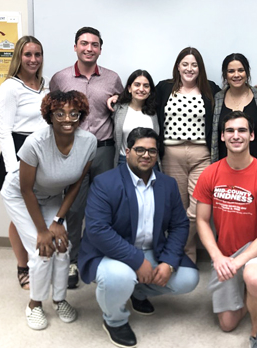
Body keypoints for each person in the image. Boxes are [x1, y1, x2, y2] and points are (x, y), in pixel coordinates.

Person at [79, 127, 199, 348]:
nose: (146, 155)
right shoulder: (105, 182)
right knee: (120, 277)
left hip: (153, 250)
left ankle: (137, 292)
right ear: (127, 151)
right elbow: (97, 230)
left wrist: (169, 263)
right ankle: (114, 321)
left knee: (189, 279)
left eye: (152, 151)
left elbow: (180, 224)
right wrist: (137, 261)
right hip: (110, 253)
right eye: (140, 149)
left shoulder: (167, 184)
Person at [1, 90, 97, 330]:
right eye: (60, 113)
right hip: (20, 196)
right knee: (42, 248)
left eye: (73, 113)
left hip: (53, 196)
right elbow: (26, 190)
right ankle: (35, 304)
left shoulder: (89, 142)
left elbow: (76, 185)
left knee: (63, 245)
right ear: (49, 115)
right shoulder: (35, 143)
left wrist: (58, 221)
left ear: (81, 115)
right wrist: (43, 230)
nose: (67, 118)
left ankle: (60, 299)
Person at [195, 111, 257, 348]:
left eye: (242, 130)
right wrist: (217, 257)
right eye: (230, 131)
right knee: (227, 324)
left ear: (252, 135)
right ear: (223, 137)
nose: (236, 135)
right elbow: (202, 221)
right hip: (225, 252)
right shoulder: (210, 174)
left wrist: (240, 263)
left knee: (253, 277)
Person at [49, 26, 124, 289]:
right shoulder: (60, 78)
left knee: (104, 207)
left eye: (94, 44)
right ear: (75, 47)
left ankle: (100, 255)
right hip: (73, 150)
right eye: (84, 43)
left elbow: (121, 110)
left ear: (100, 49)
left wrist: (117, 99)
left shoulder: (113, 78)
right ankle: (72, 260)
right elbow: (51, 114)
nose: (89, 48)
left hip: (104, 149)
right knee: (74, 207)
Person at [155, 46, 221, 262]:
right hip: (171, 154)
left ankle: (175, 251)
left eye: (194, 64)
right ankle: (189, 255)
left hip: (201, 154)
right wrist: (119, 98)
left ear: (200, 68)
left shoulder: (211, 89)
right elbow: (142, 100)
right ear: (178, 66)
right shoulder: (164, 88)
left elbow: (234, 97)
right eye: (185, 64)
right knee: (177, 208)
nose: (189, 68)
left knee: (196, 210)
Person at [0, 35, 49, 290]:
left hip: (41, 152)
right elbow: (4, 131)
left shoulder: (44, 86)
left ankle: (40, 262)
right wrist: (13, 168)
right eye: (28, 54)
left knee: (36, 206)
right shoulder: (10, 87)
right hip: (18, 153)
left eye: (37, 54)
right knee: (19, 213)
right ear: (19, 56)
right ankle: (23, 266)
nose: (33, 59)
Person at [211, 53, 257, 166]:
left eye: (241, 70)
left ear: (247, 73)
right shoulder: (217, 99)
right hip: (226, 166)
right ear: (225, 75)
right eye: (231, 71)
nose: (236, 75)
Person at [112, 69, 159, 167]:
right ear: (129, 88)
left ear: (150, 90)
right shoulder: (117, 109)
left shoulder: (155, 111)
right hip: (123, 160)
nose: (141, 89)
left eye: (146, 86)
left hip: (149, 161)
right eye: (137, 85)